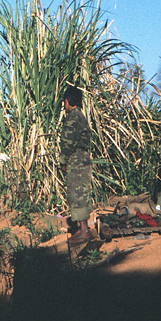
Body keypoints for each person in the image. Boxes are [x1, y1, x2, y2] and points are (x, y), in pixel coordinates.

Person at [59, 83, 93, 243]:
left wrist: (63, 160)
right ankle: (82, 228)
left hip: (77, 160)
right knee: (81, 192)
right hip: (82, 159)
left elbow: (68, 142)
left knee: (77, 193)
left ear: (68, 101)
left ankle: (84, 230)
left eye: (64, 102)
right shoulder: (81, 116)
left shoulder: (73, 118)